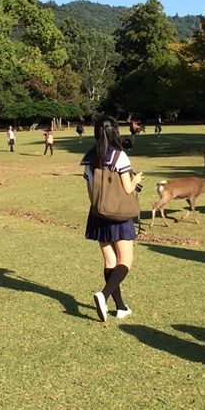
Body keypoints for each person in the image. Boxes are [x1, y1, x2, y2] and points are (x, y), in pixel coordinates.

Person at [80, 115, 143, 322]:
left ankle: (121, 307)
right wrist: (137, 179)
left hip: (98, 213)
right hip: (119, 214)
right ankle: (103, 295)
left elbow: (91, 192)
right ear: (114, 131)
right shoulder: (119, 156)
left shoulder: (89, 158)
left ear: (97, 132)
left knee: (110, 260)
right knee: (125, 260)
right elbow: (127, 188)